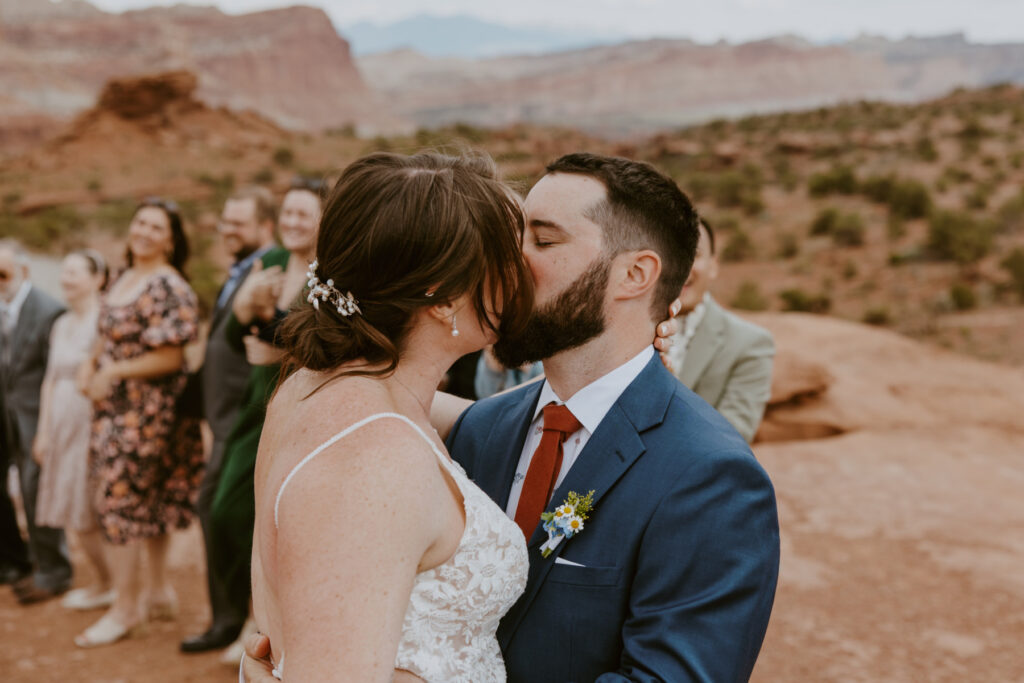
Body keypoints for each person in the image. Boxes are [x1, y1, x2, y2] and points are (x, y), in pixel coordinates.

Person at [244, 153, 779, 683]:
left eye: (542, 241)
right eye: (507, 239)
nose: (508, 262)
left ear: (635, 274)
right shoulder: (478, 429)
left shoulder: (709, 478)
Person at [248, 152, 535, 681]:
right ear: (445, 297)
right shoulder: (375, 459)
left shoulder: (318, 386)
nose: (528, 273)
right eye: (510, 257)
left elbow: (506, 417)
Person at [75, 198, 205, 647]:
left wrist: (112, 372)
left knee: (120, 503)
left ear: (170, 238)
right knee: (144, 502)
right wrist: (90, 367)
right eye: (140, 222)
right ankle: (156, 591)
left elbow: (171, 356)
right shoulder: (121, 276)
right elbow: (105, 334)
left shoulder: (170, 287)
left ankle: (125, 608)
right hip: (115, 409)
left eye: (156, 226)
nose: (145, 231)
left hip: (148, 412)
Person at [204, 177, 321, 663]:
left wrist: (274, 345)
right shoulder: (269, 263)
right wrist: (248, 307)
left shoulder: (327, 273)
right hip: (254, 404)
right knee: (227, 512)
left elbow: (319, 342)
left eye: (304, 215)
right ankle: (244, 617)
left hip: (296, 404)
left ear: (323, 221)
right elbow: (234, 338)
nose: (293, 223)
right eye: (288, 213)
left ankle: (261, 627)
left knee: (269, 522)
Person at [182, 186, 277, 655]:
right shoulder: (240, 272)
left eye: (237, 222)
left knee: (229, 516)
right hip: (221, 417)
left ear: (266, 227)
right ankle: (226, 618)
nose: (226, 229)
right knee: (213, 512)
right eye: (225, 220)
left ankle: (240, 624)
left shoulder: (268, 271)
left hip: (245, 417)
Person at [33, 250, 114, 611]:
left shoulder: (105, 320)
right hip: (62, 424)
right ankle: (103, 582)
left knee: (88, 511)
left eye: (74, 273)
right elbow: (49, 381)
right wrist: (43, 431)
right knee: (72, 509)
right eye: (63, 272)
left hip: (90, 423)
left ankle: (111, 584)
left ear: (98, 279)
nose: (66, 279)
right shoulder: (61, 323)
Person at [0, 239, 71, 604]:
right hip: (4, 414)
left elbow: (55, 373)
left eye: (3, 273)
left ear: (23, 271)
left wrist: (47, 427)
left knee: (34, 487)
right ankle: (14, 560)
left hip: (34, 417)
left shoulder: (49, 311)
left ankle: (54, 569)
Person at [667, 217, 774, 442]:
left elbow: (733, 435)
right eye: (669, 250)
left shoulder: (751, 343)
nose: (680, 265)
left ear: (713, 266)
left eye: (692, 253)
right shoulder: (617, 328)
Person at [473, 347, 543, 398]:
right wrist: (494, 370)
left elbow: (544, 383)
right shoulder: (488, 360)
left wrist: (525, 366)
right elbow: (484, 396)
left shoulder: (536, 359)